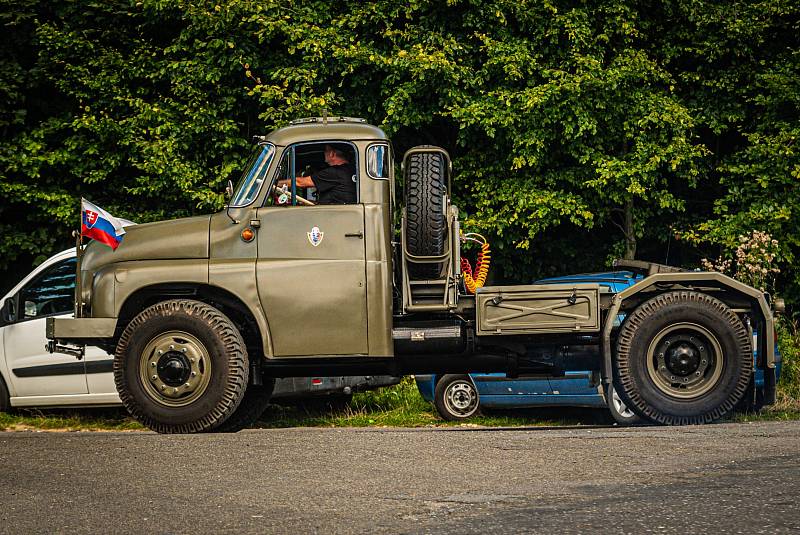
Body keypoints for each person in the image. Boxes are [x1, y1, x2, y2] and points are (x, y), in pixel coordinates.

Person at [277, 144, 356, 204]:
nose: (324, 153)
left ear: (332, 153)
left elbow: (300, 182)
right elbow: (337, 198)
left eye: (326, 150)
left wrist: (275, 183)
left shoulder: (335, 172)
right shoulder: (351, 170)